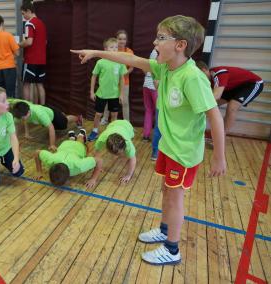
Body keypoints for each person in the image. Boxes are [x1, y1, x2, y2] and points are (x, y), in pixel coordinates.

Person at [71, 15, 226, 265]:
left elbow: (215, 118)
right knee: (166, 190)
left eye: (161, 38)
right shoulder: (165, 67)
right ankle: (165, 230)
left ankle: (172, 249)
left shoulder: (192, 77)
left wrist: (219, 156)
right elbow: (130, 59)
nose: (154, 42)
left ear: (180, 45)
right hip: (168, 146)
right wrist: (96, 52)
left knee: (175, 198)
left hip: (183, 152)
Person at [196, 61, 264, 135]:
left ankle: (222, 136)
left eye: (198, 75)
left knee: (232, 107)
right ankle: (201, 131)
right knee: (209, 107)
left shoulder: (219, 73)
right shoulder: (208, 79)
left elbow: (216, 96)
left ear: (204, 70)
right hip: (234, 87)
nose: (198, 79)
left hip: (252, 84)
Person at [34, 129, 103, 188]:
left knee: (80, 141)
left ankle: (81, 134)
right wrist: (39, 171)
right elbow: (37, 152)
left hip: (77, 148)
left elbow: (99, 161)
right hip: (65, 145)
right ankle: (72, 137)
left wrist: (93, 179)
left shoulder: (79, 165)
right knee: (71, 142)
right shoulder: (50, 160)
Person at [88, 37, 127, 141]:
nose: (114, 49)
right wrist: (92, 91)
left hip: (114, 95)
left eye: (116, 47)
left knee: (114, 114)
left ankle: (111, 132)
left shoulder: (120, 62)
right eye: (112, 47)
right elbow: (94, 76)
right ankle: (95, 131)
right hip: (101, 94)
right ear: (105, 49)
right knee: (98, 114)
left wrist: (122, 94)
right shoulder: (100, 62)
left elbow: (122, 79)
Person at [10, 99, 83, 150]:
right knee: (52, 124)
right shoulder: (20, 113)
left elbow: (51, 128)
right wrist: (26, 133)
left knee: (64, 123)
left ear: (28, 112)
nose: (22, 119)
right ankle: (62, 114)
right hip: (44, 111)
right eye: (21, 118)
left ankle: (77, 118)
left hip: (52, 114)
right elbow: (18, 124)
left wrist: (52, 145)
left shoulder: (40, 114)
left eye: (23, 117)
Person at [101, 30, 133, 125]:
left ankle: (127, 123)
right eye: (120, 39)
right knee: (108, 100)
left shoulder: (129, 52)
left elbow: (131, 67)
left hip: (124, 81)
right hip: (112, 81)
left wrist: (123, 74)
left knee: (124, 102)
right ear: (116, 39)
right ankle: (105, 118)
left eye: (124, 39)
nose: (122, 41)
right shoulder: (112, 50)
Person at [19, 1, 47, 105]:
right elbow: (45, 42)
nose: (23, 16)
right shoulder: (42, 23)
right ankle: (42, 108)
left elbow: (29, 42)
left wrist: (18, 44)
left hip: (31, 59)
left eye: (23, 13)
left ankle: (27, 109)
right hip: (42, 60)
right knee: (39, 85)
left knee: (26, 84)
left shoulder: (29, 23)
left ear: (29, 11)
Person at [142, 49, 159, 141]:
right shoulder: (160, 56)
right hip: (154, 87)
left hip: (146, 84)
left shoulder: (152, 54)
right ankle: (157, 138)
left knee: (148, 111)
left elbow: (144, 69)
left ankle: (146, 135)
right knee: (158, 112)